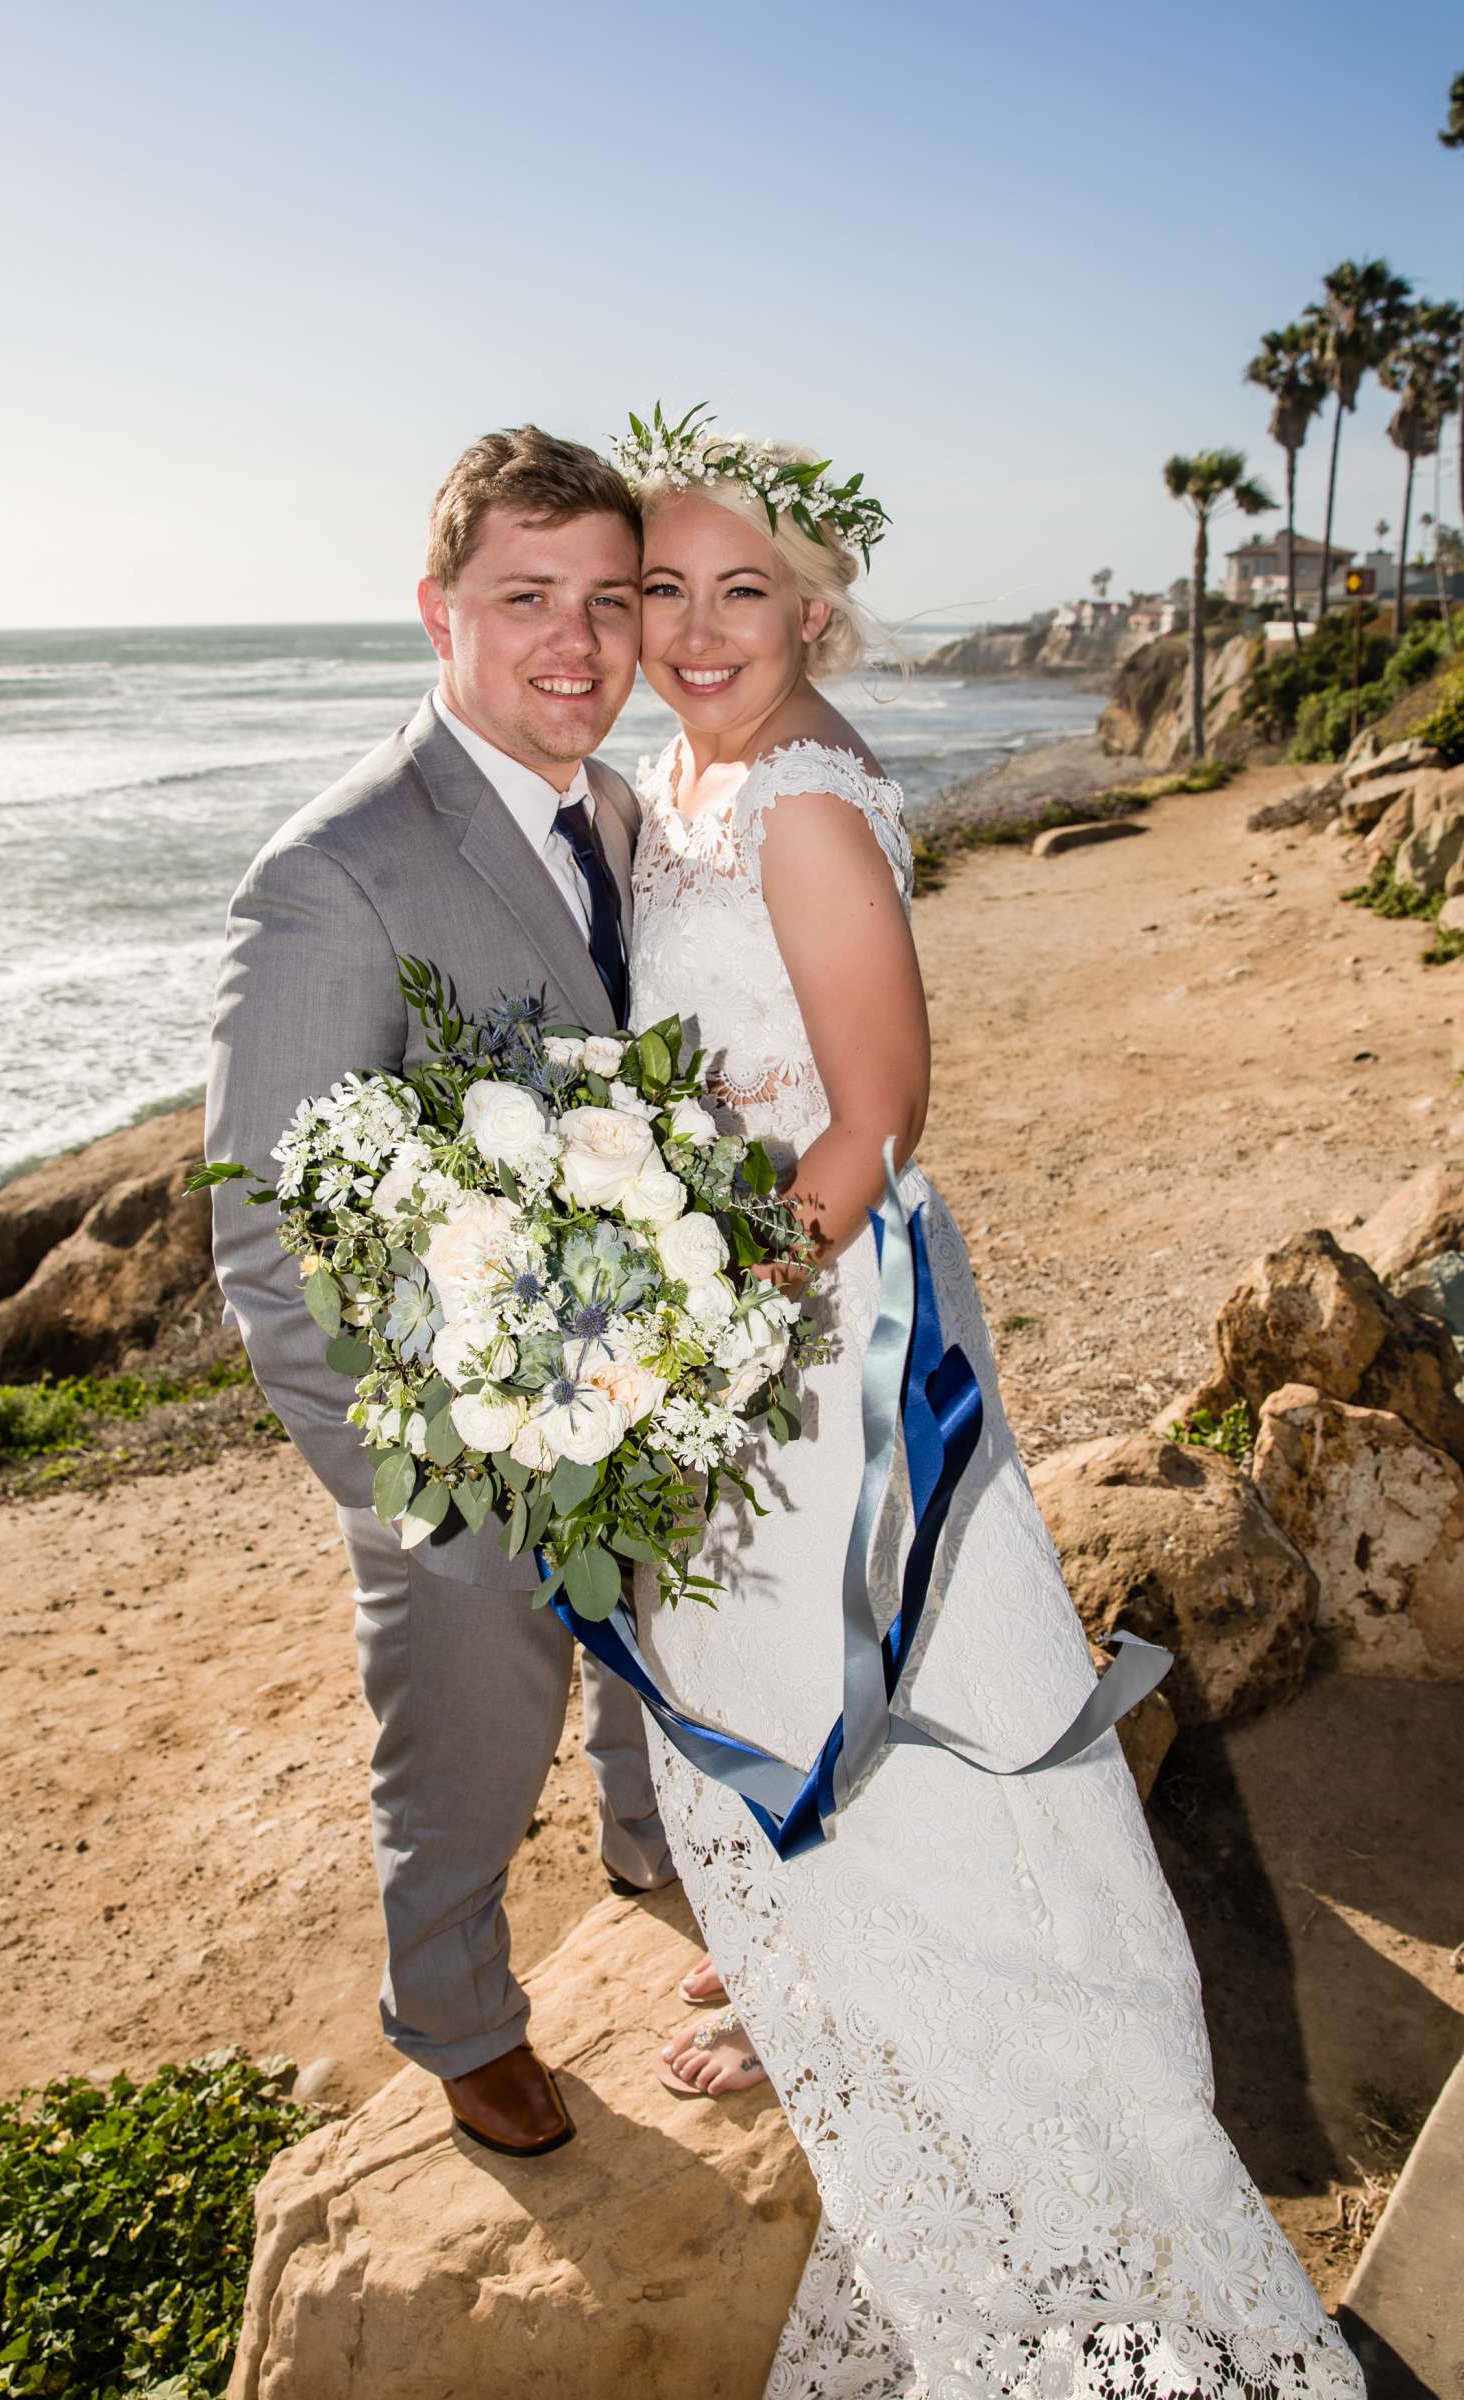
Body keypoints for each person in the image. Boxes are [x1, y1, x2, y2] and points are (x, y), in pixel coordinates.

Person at [618, 412, 1364, 2396]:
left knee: (873, 1680)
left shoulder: (792, 802)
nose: (694, 628)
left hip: (800, 1339)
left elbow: (873, 1121)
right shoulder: (670, 777)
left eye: (738, 591)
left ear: (815, 603)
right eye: (661, 590)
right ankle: (831, 1991)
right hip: (728, 1316)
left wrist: (690, 1325)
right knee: (802, 1698)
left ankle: (998, 2104)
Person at [206, 427, 674, 2161]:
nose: (577, 640)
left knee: (651, 1654)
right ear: (439, 614)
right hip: (447, 1442)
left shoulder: (620, 811)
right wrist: (417, 1497)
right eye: (527, 596)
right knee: (463, 1742)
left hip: (638, 1376)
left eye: (607, 600)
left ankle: (651, 1853)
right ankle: (460, 2018)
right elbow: (264, 1226)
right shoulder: (334, 873)